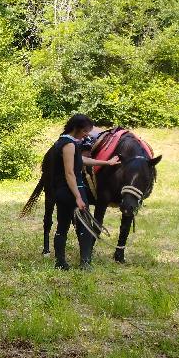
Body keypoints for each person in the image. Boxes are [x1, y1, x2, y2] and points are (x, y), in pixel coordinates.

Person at [51, 114, 118, 270]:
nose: (87, 134)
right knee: (85, 227)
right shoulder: (69, 145)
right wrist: (78, 197)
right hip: (72, 191)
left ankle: (60, 263)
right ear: (76, 128)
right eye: (85, 131)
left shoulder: (63, 141)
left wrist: (107, 163)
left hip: (61, 191)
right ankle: (84, 263)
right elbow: (70, 173)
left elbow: (82, 161)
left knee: (62, 226)